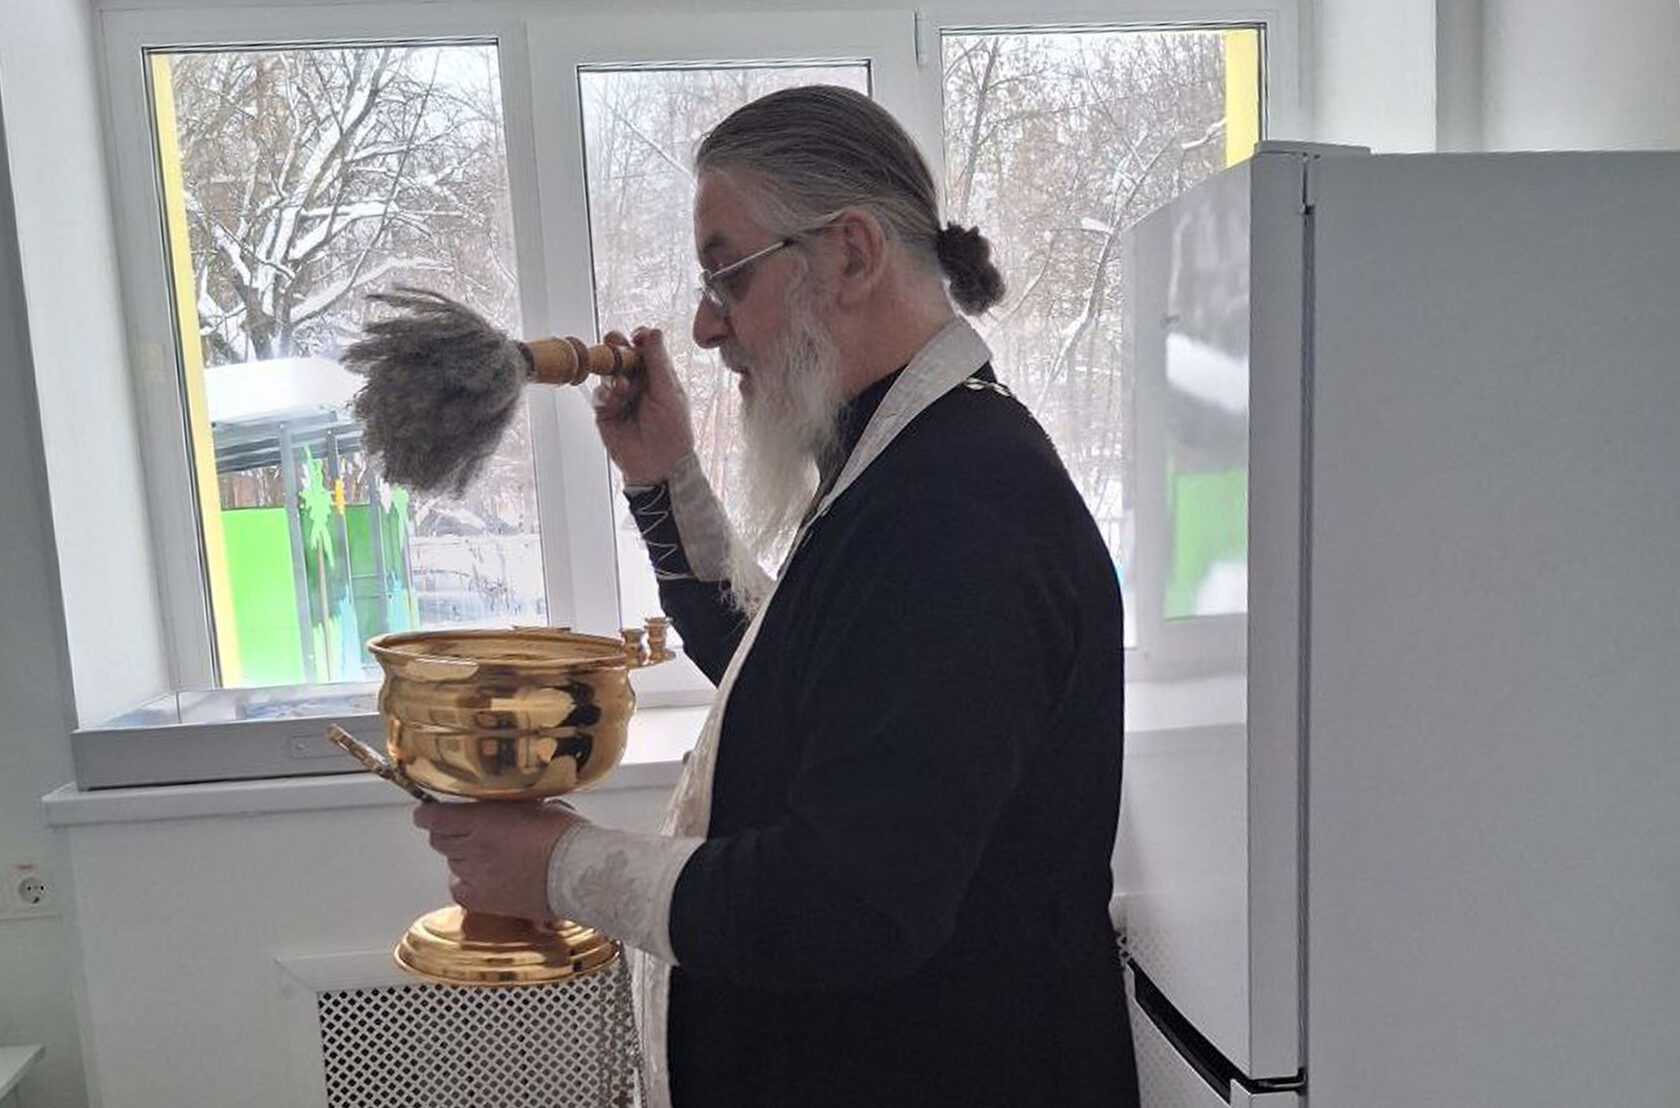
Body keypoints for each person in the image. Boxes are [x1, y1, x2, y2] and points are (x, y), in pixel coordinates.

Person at [415, 85, 1135, 1108]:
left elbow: (850, 904)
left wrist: (561, 868)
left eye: (728, 274)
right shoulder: (917, 459)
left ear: (851, 255)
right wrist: (664, 480)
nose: (705, 324)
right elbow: (797, 668)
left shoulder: (955, 511)